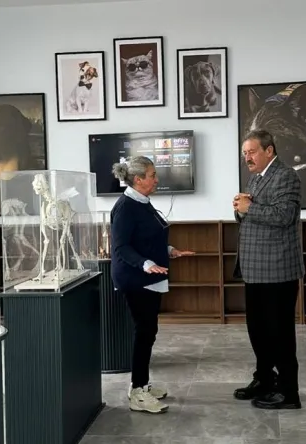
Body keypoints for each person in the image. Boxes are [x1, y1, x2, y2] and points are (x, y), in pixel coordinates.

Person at [109, 156, 195, 414]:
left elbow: (145, 238)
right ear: (138, 179)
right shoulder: (126, 207)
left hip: (149, 275)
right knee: (144, 333)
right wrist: (145, 263)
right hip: (136, 278)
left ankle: (142, 384)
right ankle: (138, 392)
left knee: (149, 332)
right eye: (152, 175)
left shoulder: (142, 202)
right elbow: (121, 247)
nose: (157, 180)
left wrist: (168, 251)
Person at [232, 129, 304, 410]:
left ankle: (289, 392)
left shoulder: (286, 175)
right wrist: (240, 209)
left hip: (277, 269)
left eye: (251, 152)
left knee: (280, 334)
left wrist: (249, 208)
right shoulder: (256, 177)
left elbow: (285, 215)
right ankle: (265, 379)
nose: (247, 158)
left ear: (269, 150)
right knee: (258, 331)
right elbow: (252, 213)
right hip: (254, 269)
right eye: (244, 153)